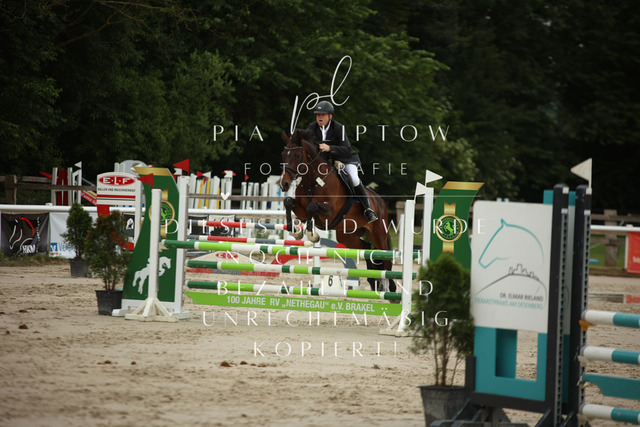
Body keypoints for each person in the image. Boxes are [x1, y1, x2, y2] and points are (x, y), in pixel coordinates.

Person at [306, 101, 378, 223]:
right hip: (326, 162)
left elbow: (347, 149)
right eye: (318, 115)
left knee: (354, 178)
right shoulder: (312, 127)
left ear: (330, 116)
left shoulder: (338, 128)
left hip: (345, 159)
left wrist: (330, 148)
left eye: (323, 114)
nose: (320, 117)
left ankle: (367, 209)